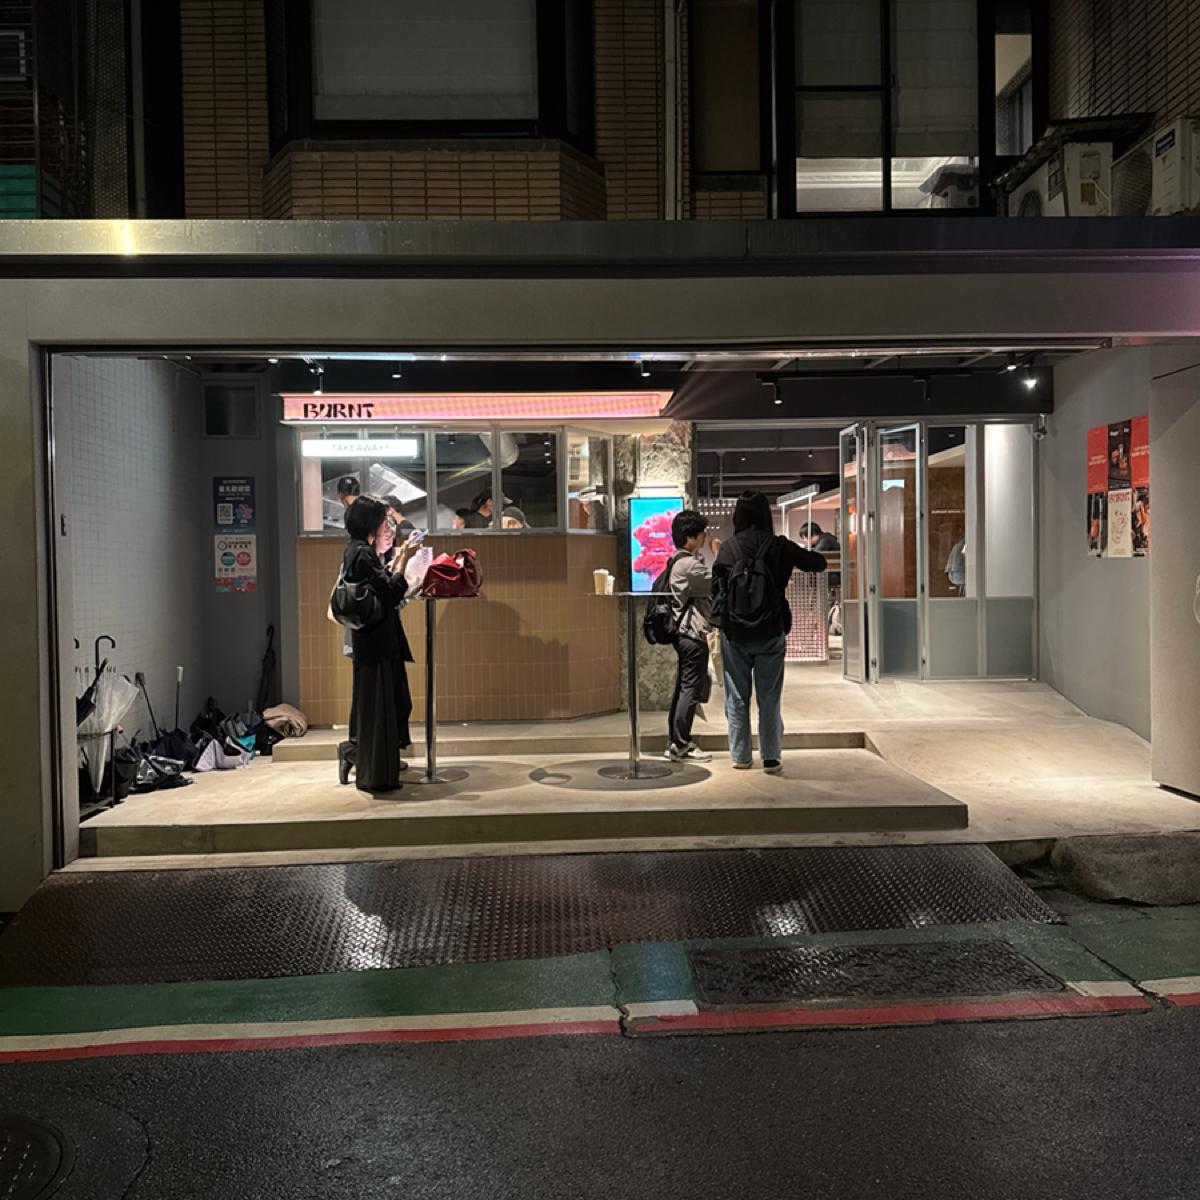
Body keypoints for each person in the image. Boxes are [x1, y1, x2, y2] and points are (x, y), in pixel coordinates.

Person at [713, 491, 826, 774]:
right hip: (771, 630)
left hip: (735, 632)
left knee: (737, 696)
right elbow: (818, 564)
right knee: (770, 696)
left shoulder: (727, 548)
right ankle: (771, 757)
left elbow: (717, 590)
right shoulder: (780, 546)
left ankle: (741, 756)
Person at [337, 496, 421, 795]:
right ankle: (373, 772)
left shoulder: (357, 550)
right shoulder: (362, 553)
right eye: (382, 521)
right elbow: (390, 592)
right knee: (379, 709)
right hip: (376, 643)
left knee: (379, 707)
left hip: (371, 643)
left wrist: (395, 561)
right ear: (369, 522)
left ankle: (369, 764)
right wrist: (406, 559)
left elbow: (381, 584)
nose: (386, 526)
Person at [661, 509, 720, 763]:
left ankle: (675, 741)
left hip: (683, 633)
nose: (704, 538)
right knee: (690, 689)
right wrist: (718, 554)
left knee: (683, 688)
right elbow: (717, 583)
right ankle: (681, 744)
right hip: (692, 633)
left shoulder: (676, 560)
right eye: (701, 533)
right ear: (690, 537)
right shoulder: (688, 565)